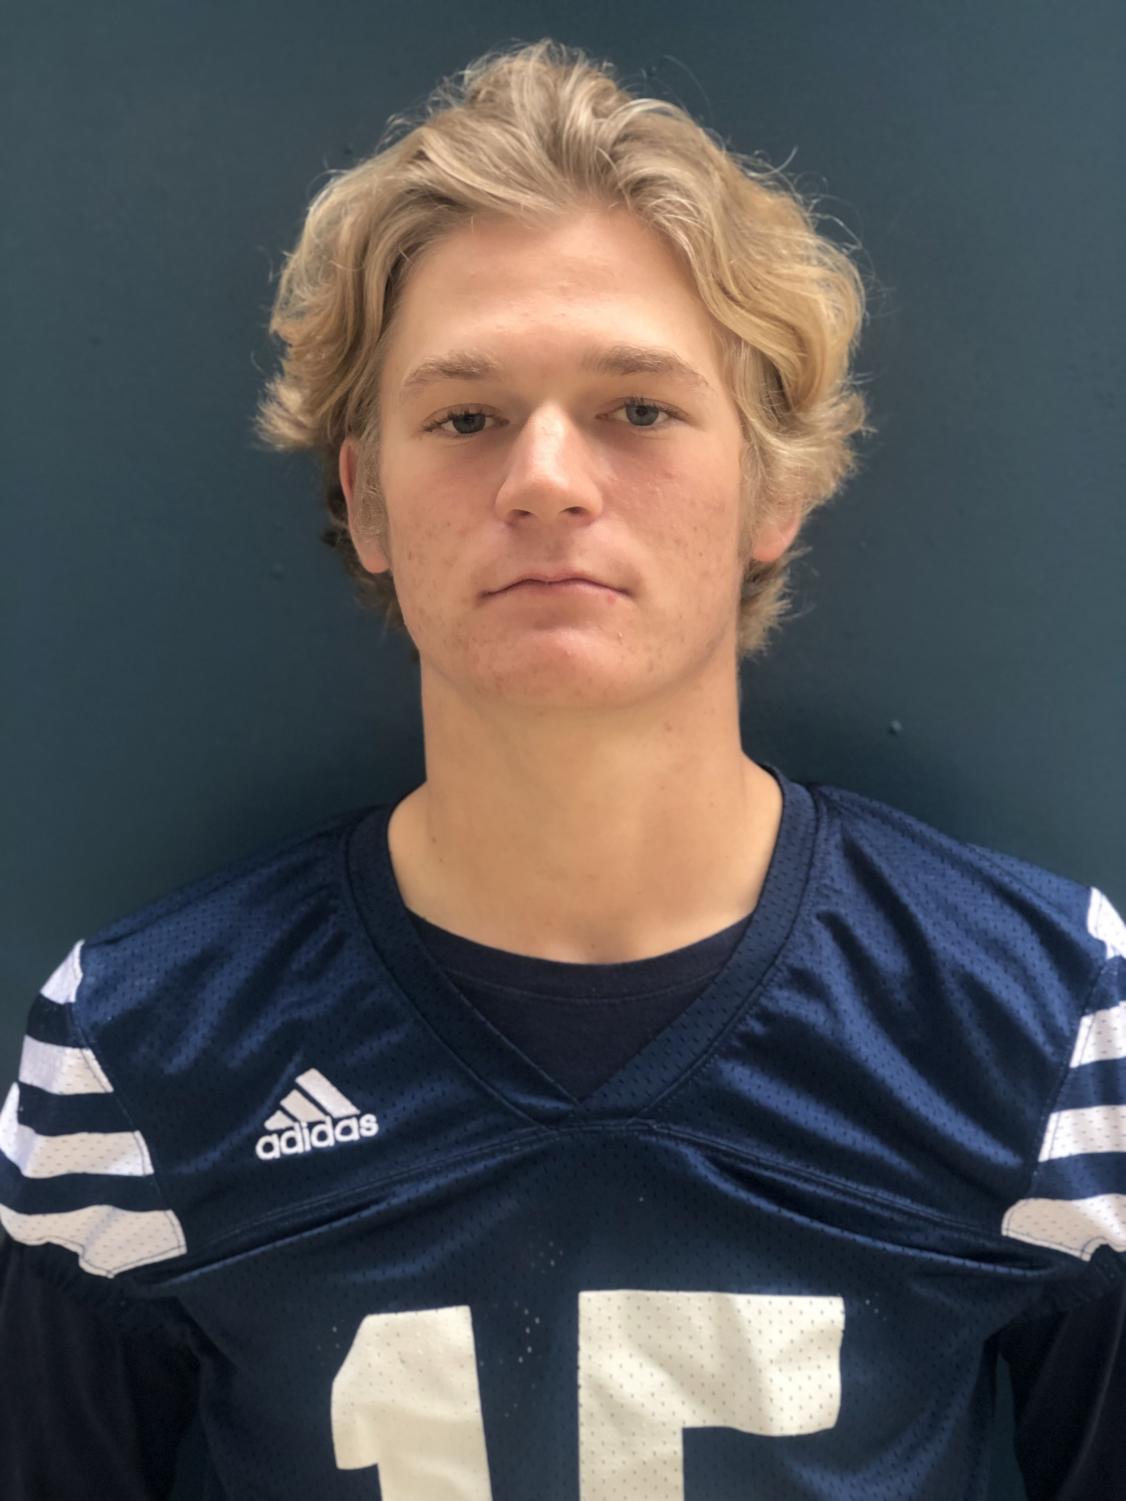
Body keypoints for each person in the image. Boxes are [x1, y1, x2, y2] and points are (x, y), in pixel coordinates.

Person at [1, 36, 1122, 1500]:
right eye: (463, 417)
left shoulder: (1040, 1018)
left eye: (637, 408)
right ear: (367, 498)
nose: (543, 477)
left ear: (773, 484)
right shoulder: (138, 1051)